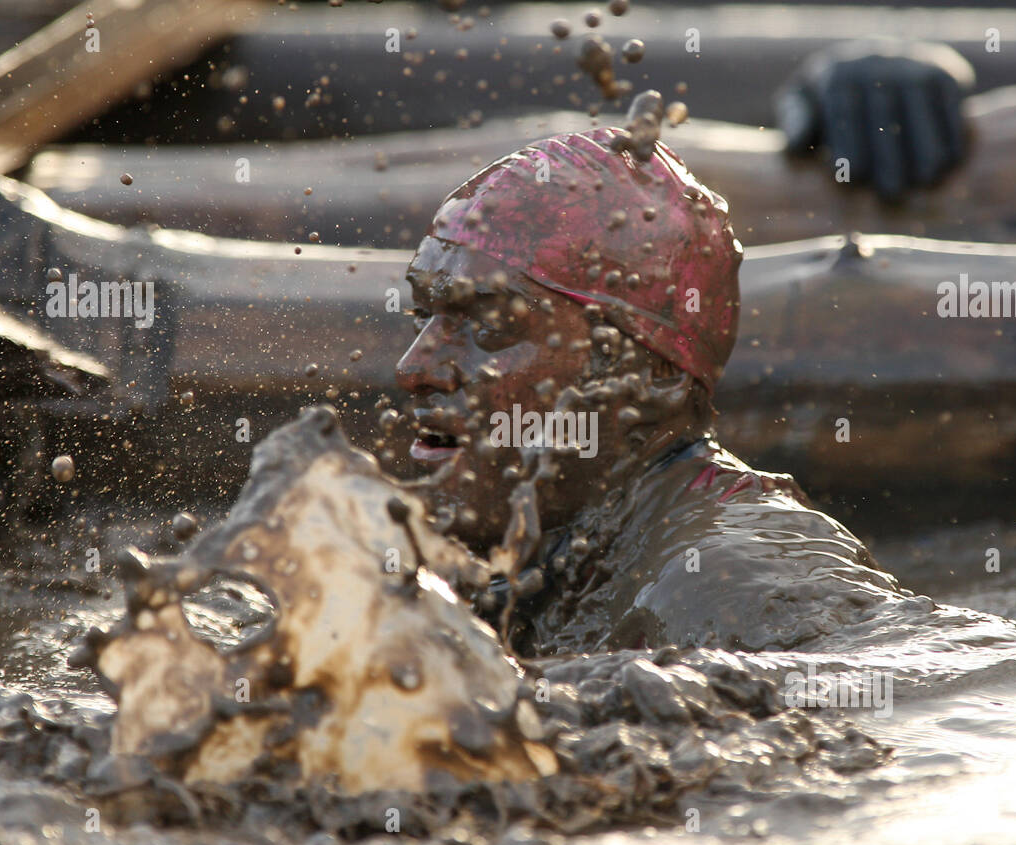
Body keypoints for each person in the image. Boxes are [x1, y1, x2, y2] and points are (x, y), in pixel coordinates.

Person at [395, 121, 973, 658]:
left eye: (490, 325)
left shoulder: (736, 584)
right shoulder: (548, 562)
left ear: (648, 376)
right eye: (424, 315)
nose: (415, 367)